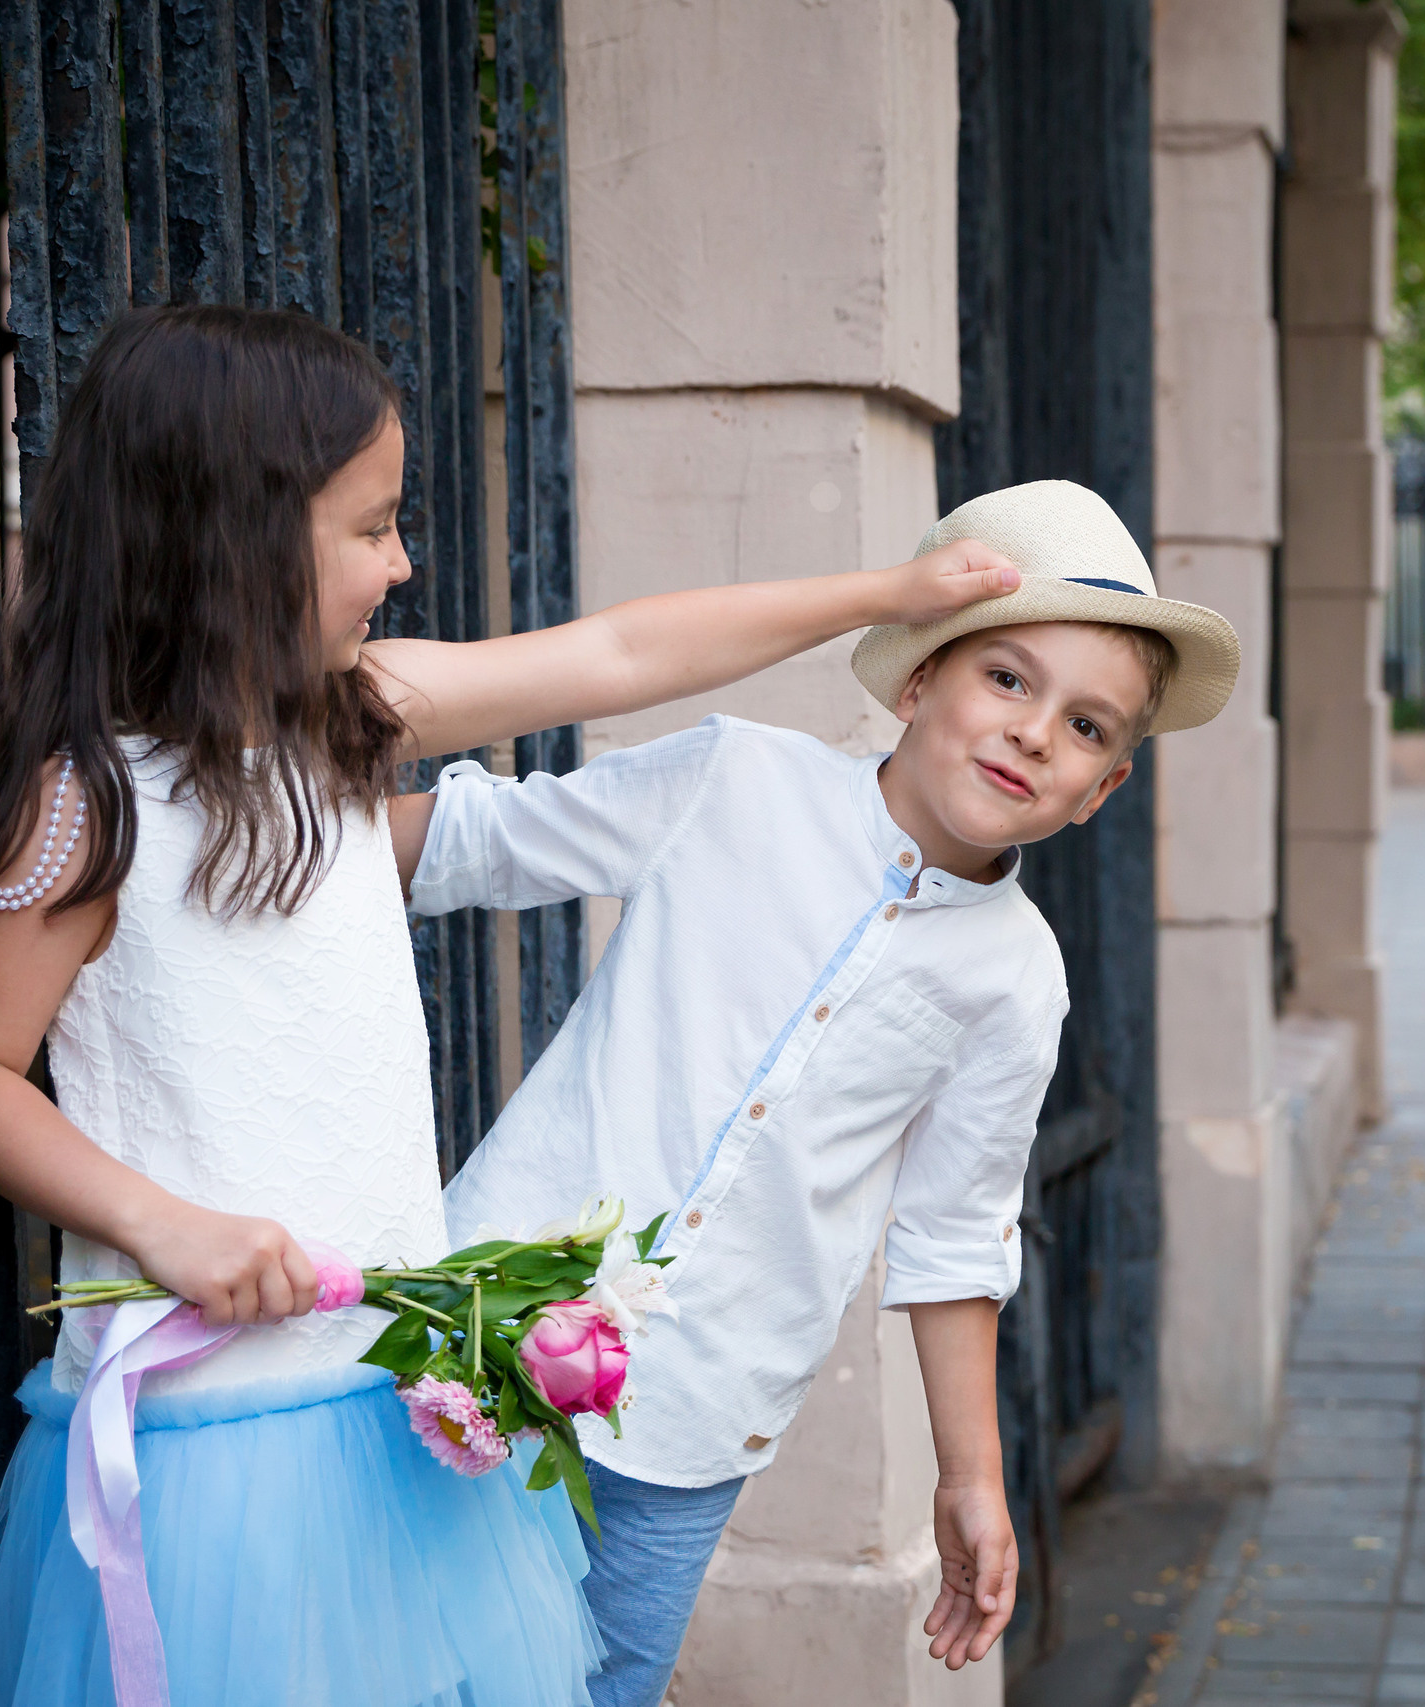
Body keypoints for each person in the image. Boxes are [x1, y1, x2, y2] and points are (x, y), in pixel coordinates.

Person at [0, 306, 1022, 1707]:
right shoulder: (87, 801)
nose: (402, 562)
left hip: (392, 1408)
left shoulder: (339, 727)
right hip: (209, 1440)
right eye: (370, 526)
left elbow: (619, 653)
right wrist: (163, 1223)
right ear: (236, 538)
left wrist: (888, 591)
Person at [399, 481, 1239, 1706]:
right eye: (1007, 679)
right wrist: (238, 826)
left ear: (1101, 789)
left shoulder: (1017, 979)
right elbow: (468, 843)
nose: (1032, 734)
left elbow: (955, 1234)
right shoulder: (736, 782)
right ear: (918, 681)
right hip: (469, 1337)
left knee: (593, 1689)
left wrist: (971, 1478)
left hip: (690, 1428)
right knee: (395, 1661)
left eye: (1085, 727)